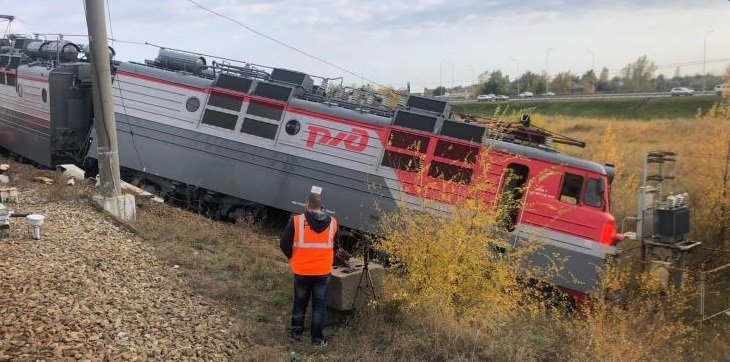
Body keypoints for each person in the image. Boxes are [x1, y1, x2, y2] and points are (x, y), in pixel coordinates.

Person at [279, 189, 339, 347]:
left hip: (301, 271)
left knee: (300, 303)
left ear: (307, 205)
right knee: (319, 306)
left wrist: (292, 257)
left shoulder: (296, 221)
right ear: (322, 207)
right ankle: (317, 340)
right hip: (322, 272)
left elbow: (284, 244)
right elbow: (336, 246)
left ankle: (296, 333)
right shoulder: (333, 222)